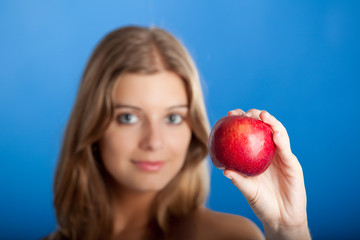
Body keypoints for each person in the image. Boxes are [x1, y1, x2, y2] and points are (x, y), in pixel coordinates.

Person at [45, 26, 311, 240]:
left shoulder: (231, 236)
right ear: (92, 126)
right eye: (129, 117)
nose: (154, 141)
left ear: (193, 129)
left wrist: (288, 230)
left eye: (173, 118)